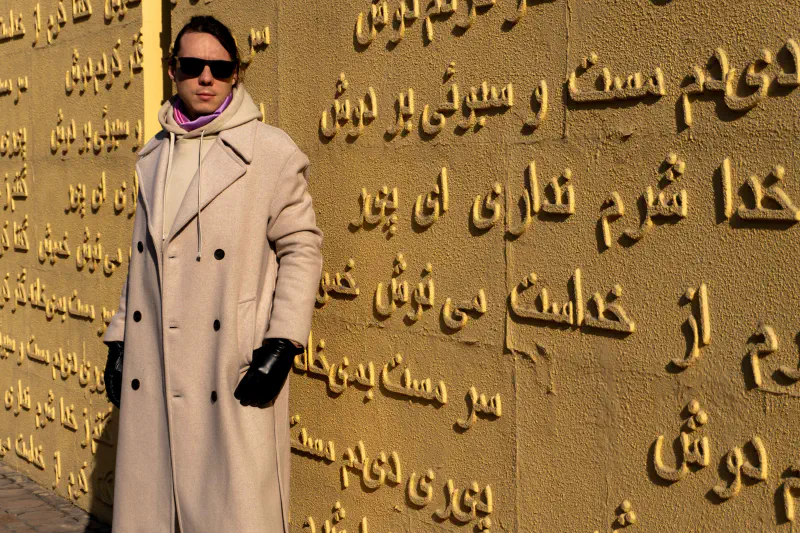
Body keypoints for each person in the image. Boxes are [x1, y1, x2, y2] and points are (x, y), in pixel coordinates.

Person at [101, 15, 323, 533]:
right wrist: (119, 339)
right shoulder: (153, 154)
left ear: (236, 76)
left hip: (230, 366)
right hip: (156, 363)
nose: (206, 77)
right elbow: (142, 261)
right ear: (172, 70)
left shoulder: (269, 151)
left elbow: (302, 248)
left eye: (220, 68)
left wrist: (282, 344)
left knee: (234, 512)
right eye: (193, 65)